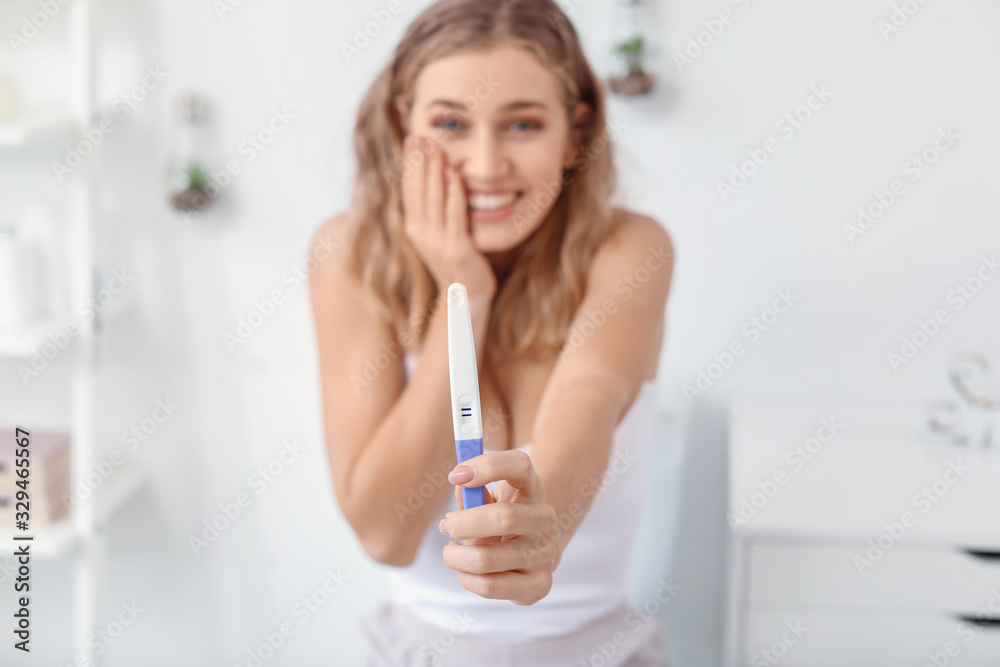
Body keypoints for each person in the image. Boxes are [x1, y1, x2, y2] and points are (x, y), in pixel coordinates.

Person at [309, 0, 674, 664]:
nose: (485, 165)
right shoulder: (348, 255)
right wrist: (464, 297)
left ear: (574, 134)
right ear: (401, 125)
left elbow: (588, 398)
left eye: (523, 124)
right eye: (450, 122)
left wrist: (543, 524)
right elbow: (385, 533)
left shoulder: (629, 249)